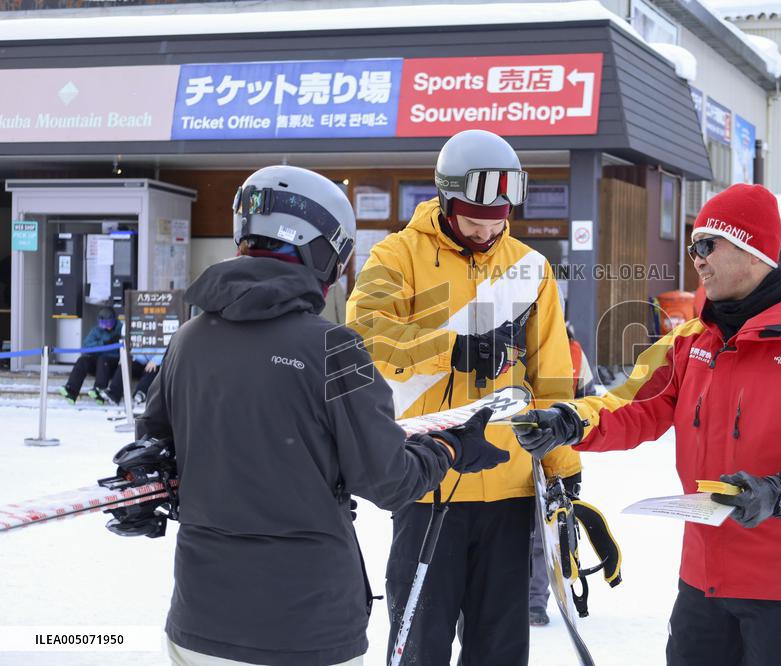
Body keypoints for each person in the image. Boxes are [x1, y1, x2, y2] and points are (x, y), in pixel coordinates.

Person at [135, 165, 510, 666]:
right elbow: (387, 479)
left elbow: (158, 451)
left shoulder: (187, 341)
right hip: (305, 627)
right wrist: (450, 446)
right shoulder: (333, 348)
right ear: (326, 253)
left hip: (199, 622)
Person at [513, 183, 781, 666]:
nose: (697, 258)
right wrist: (570, 421)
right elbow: (631, 403)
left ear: (751, 250)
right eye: (693, 246)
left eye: (707, 245)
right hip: (702, 582)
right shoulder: (689, 342)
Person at [346, 129, 581, 666]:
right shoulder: (397, 256)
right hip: (426, 480)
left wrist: (564, 470)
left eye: (499, 216)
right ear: (446, 201)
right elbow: (362, 337)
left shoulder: (530, 268)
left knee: (499, 648)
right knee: (420, 642)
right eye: (474, 217)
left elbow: (552, 379)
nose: (488, 229)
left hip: (509, 488)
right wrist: (452, 349)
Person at [529, 322, 595, 626]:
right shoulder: (573, 352)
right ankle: (532, 600)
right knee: (542, 534)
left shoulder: (573, 353)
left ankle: (534, 601)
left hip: (559, 458)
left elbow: (589, 406)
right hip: (547, 457)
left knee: (546, 533)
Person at [58, 305, 122, 404]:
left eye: (109, 323)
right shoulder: (97, 331)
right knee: (82, 360)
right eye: (104, 323)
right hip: (99, 363)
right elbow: (86, 347)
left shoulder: (121, 329)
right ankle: (71, 390)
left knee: (103, 359)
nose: (107, 326)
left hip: (113, 364)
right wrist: (104, 343)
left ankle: (99, 390)